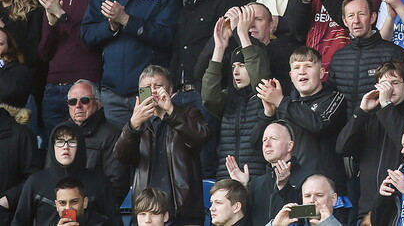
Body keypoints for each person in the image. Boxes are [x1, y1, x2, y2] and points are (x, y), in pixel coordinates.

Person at [80, 0, 181, 127]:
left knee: (148, 148)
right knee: (118, 152)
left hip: (146, 89)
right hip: (111, 89)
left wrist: (127, 20)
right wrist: (111, 26)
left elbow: (166, 36)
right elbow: (86, 35)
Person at [115, 65, 212, 225]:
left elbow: (202, 137)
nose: (152, 91)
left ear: (171, 90)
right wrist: (133, 126)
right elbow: (121, 155)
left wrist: (171, 112)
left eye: (158, 86)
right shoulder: (137, 123)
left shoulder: (188, 113)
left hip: (183, 211)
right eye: (146, 88)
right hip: (148, 212)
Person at [336, 59, 404, 221]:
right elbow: (342, 147)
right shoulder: (370, 116)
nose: (389, 88)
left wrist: (386, 105)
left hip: (400, 209)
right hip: (367, 210)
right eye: (384, 84)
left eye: (395, 83)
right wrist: (361, 112)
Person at [254, 46, 348, 194]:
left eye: (308, 66)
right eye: (297, 68)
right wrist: (268, 114)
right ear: (291, 76)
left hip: (324, 189)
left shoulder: (335, 98)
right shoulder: (285, 105)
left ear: (322, 72)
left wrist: (281, 102)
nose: (302, 71)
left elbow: (319, 124)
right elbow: (257, 145)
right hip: (292, 187)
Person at [36, 0, 98, 131]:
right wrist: (52, 23)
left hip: (86, 85)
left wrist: (62, 15)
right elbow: (44, 54)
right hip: (54, 87)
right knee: (54, 153)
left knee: (86, 151)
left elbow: (91, 43)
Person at [202, 11, 270, 181]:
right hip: (226, 177)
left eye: (242, 65)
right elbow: (209, 96)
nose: (236, 71)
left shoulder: (267, 96)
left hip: (257, 178)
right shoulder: (228, 99)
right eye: (233, 67)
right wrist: (219, 48)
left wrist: (242, 34)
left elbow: (260, 80)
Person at [171, 0, 233, 129]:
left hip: (205, 94)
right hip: (180, 93)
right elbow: (179, 48)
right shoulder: (187, 4)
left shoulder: (224, 2)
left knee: (206, 155)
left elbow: (227, 49)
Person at [14, 123, 120, 226]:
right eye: (60, 142)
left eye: (72, 142)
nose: (65, 147)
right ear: (52, 146)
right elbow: (19, 223)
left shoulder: (100, 183)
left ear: (81, 146)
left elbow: (115, 222)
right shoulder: (35, 183)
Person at [61, 80, 128, 204]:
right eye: (72, 101)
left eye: (85, 100)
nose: (78, 105)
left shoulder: (111, 134)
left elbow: (116, 185)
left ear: (99, 103)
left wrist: (85, 208)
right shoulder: (60, 134)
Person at [235, 122, 310, 226]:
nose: (267, 144)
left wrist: (284, 188)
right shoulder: (255, 184)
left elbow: (308, 217)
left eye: (273, 138)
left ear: (290, 146)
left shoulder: (309, 179)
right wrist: (242, 189)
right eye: (264, 140)